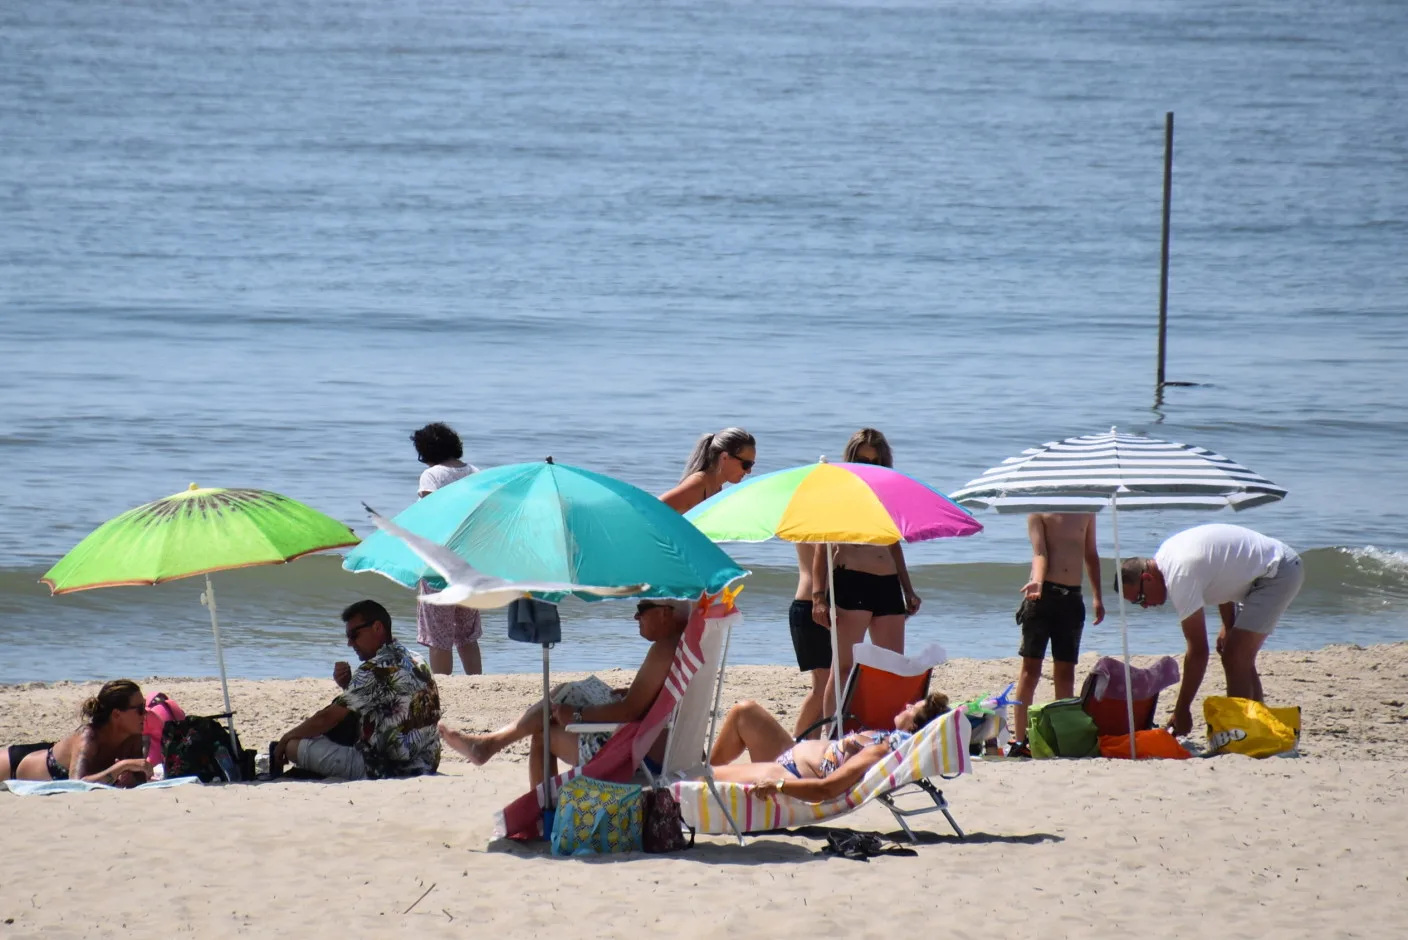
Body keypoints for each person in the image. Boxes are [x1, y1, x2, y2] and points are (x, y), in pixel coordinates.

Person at [439, 600, 690, 788]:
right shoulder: (684, 645)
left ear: (665, 611)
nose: (636, 616)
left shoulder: (664, 648)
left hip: (640, 756)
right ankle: (490, 743)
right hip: (665, 746)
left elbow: (628, 711)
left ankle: (543, 818)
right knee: (564, 692)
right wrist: (641, 694)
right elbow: (650, 705)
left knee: (544, 734)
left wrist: (578, 715)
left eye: (642, 607)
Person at [1117, 523, 1304, 737]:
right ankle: (1258, 728)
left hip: (1276, 573)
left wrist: (1182, 709)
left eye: (1140, 598)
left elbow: (1198, 651)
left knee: (1236, 656)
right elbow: (1219, 577)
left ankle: (1242, 732)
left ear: (1147, 579)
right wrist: (1228, 624)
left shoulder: (1178, 576)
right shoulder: (1166, 556)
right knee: (1237, 654)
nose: (1144, 606)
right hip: (1261, 573)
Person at [810, 429, 921, 718]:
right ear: (851, 458)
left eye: (876, 461)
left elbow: (894, 545)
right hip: (852, 581)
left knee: (892, 666)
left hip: (887, 584)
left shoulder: (888, 491)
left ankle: (886, 730)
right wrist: (818, 596)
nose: (870, 465)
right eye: (862, 459)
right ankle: (831, 733)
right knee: (844, 666)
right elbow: (823, 548)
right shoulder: (839, 492)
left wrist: (908, 589)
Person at [273, 600, 442, 779]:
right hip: (427, 761)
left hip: (388, 769)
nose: (349, 643)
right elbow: (386, 702)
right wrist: (348, 685)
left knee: (293, 746)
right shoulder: (417, 659)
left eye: (354, 635)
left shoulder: (374, 670)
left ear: (377, 628)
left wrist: (285, 738)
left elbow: (326, 719)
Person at [707, 692, 951, 802]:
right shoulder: (887, 739)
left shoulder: (882, 751)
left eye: (912, 709)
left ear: (912, 728)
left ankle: (693, 788)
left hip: (790, 775)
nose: (907, 704)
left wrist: (778, 785)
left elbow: (826, 789)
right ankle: (705, 777)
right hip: (789, 751)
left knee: (702, 778)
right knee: (744, 711)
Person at [1008, 513, 1106, 757]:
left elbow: (1091, 555)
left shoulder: (1086, 510)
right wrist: (1038, 582)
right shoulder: (1038, 512)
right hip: (1040, 597)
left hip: (1072, 599)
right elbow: (1040, 553)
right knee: (1030, 671)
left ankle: (1062, 737)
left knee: (1066, 673)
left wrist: (1097, 597)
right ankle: (1020, 740)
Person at [410, 421, 483, 675]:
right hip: (470, 559)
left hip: (439, 561)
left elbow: (431, 515)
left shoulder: (432, 475)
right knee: (466, 633)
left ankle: (443, 684)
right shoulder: (474, 471)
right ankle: (476, 682)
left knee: (438, 634)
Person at [1, 680, 151, 786]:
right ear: (117, 715)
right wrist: (122, 766)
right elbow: (77, 784)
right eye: (139, 709)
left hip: (49, 752)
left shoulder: (134, 737)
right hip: (17, 765)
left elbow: (140, 778)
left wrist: (132, 779)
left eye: (144, 707)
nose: (145, 713)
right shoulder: (89, 737)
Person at [659, 427, 756, 513]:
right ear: (724, 457)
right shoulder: (697, 485)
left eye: (751, 464)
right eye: (746, 464)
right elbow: (652, 509)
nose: (749, 471)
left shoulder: (716, 487)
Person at [788, 543, 830, 738]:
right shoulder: (815, 525)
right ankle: (796, 744)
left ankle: (809, 743)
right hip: (810, 607)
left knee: (824, 686)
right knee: (823, 687)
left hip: (818, 607)